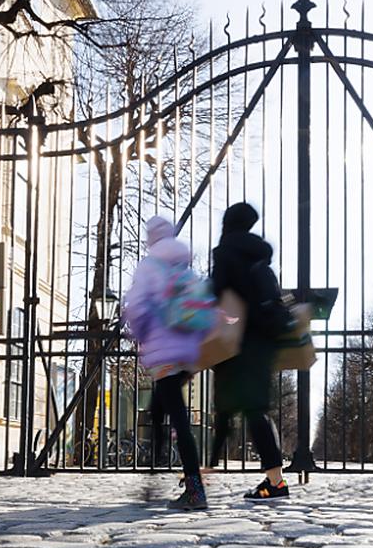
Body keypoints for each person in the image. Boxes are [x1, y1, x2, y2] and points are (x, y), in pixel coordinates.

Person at [123, 216, 210, 510]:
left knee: (177, 419)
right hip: (186, 355)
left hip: (163, 353)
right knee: (157, 413)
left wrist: (136, 332)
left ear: (151, 238)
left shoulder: (150, 266)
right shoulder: (185, 269)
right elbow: (202, 307)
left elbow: (136, 306)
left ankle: (195, 489)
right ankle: (152, 481)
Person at [208, 202, 292, 501]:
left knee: (230, 408)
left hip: (237, 340)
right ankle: (272, 480)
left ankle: (206, 475)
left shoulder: (226, 251)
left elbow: (216, 293)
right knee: (250, 409)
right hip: (263, 341)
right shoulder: (260, 255)